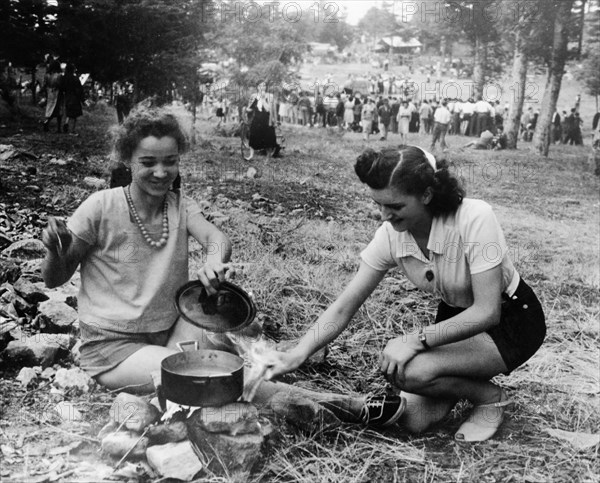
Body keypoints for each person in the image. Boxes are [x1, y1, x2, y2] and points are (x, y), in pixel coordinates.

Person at [40, 106, 402, 426]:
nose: (161, 172)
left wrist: (213, 266)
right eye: (147, 163)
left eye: (170, 161)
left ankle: (275, 357)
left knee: (228, 324)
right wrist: (56, 252)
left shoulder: (179, 205)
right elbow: (54, 279)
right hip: (115, 349)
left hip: (171, 329)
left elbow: (218, 241)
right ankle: (348, 408)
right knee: (211, 377)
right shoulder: (100, 207)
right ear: (127, 161)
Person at [265, 146, 546, 442]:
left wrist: (413, 340)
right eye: (378, 205)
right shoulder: (391, 236)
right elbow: (345, 305)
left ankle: (490, 396)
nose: (385, 215)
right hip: (459, 319)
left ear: (426, 195)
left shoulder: (475, 217)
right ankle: (463, 376)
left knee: (411, 370)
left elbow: (488, 311)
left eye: (395, 206)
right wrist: (299, 352)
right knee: (413, 420)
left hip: (511, 322)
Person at [246, 82, 281, 158]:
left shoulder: (270, 96)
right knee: (253, 136)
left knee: (269, 137)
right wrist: (249, 109)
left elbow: (268, 109)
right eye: (260, 86)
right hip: (257, 118)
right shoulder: (253, 96)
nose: (262, 87)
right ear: (257, 87)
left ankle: (268, 156)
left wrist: (262, 99)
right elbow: (249, 108)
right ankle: (251, 155)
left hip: (267, 119)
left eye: (264, 85)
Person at [62, 63, 85, 135]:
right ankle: (72, 130)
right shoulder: (75, 79)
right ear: (72, 70)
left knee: (68, 112)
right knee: (74, 115)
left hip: (67, 96)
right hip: (74, 97)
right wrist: (82, 99)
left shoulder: (64, 78)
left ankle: (66, 123)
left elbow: (62, 87)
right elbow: (79, 89)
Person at [42, 60, 64, 133]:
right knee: (59, 111)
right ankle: (58, 128)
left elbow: (44, 85)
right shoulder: (59, 75)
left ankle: (47, 122)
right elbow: (60, 85)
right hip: (58, 93)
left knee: (50, 109)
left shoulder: (47, 75)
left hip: (50, 93)